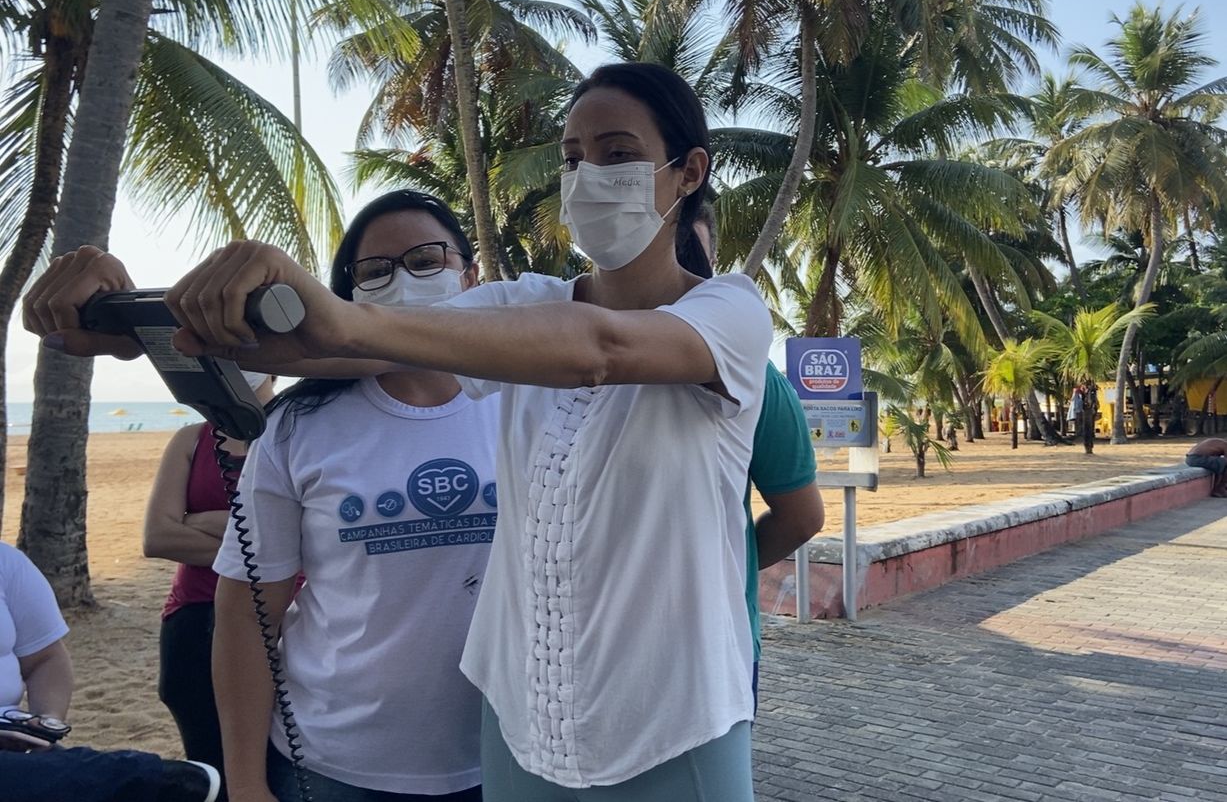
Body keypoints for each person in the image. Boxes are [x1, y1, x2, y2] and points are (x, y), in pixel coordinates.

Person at [24, 61, 772, 801]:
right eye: (573, 158)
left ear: (686, 173)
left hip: (670, 726)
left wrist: (342, 313)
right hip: (521, 727)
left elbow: (599, 350)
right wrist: (135, 325)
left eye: (618, 153)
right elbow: (342, 344)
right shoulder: (525, 304)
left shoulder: (728, 314)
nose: (588, 175)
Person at [210, 191, 496, 802]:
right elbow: (245, 611)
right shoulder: (296, 427)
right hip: (337, 763)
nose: (403, 280)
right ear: (347, 298)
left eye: (426, 260)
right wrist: (244, 781)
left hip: (509, 756)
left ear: (470, 275)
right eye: (376, 271)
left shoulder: (524, 400)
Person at [690, 203, 824, 706]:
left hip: (720, 646)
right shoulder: (576, 371)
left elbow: (801, 516)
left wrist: (727, 565)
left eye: (689, 257)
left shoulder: (759, 379)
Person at [0, 541, 221, 802]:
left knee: (45, 773)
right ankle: (147, 778)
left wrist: (45, 725)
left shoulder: (8, 564)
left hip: (12, 742)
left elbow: (45, 660)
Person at [144, 371, 275, 791]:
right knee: (211, 763)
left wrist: (199, 521)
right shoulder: (191, 440)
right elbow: (159, 537)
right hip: (194, 620)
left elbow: (315, 537)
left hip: (285, 617)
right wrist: (262, 540)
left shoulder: (300, 435)